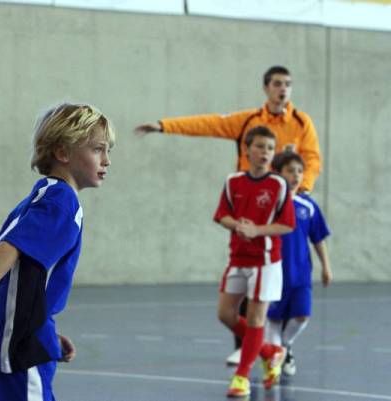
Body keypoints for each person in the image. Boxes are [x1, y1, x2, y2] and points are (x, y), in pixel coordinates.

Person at [135, 65, 322, 365]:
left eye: (288, 84)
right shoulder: (248, 121)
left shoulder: (302, 123)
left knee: (276, 280)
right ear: (266, 88)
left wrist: (302, 189)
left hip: (278, 207)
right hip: (248, 208)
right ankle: (249, 344)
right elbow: (208, 123)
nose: (282, 89)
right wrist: (164, 125)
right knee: (245, 280)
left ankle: (280, 346)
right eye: (277, 84)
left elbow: (312, 159)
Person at [0, 103, 115, 401]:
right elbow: (11, 248)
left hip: (11, 334)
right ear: (63, 152)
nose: (106, 160)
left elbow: (25, 273)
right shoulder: (60, 202)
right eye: (97, 149)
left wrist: (45, 331)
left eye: (108, 151)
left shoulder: (46, 195)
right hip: (15, 342)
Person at [213, 126, 295, 397]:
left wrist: (257, 230)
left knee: (255, 318)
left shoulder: (278, 184)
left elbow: (287, 225)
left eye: (270, 149)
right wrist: (238, 225)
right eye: (259, 147)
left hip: (266, 261)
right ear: (246, 149)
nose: (265, 153)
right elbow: (222, 215)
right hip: (237, 257)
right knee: (225, 314)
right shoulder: (233, 181)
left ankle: (242, 377)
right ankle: (270, 351)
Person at [265, 151, 332, 377]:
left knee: (302, 315)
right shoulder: (269, 204)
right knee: (273, 319)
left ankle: (284, 346)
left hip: (300, 273)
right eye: (290, 171)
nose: (296, 176)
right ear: (277, 173)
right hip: (273, 272)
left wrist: (326, 266)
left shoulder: (307, 205)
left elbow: (318, 238)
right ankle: (274, 357)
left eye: (300, 171)